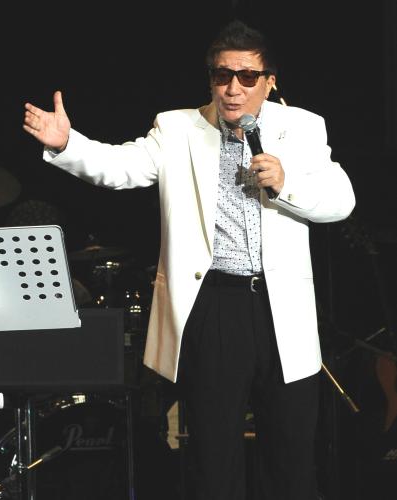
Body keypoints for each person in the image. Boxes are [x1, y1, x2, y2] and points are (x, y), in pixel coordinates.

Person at [23, 19, 355, 500]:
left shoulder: (302, 127)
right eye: (222, 75)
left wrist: (286, 184)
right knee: (212, 458)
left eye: (247, 76)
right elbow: (121, 166)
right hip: (213, 305)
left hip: (281, 308)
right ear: (211, 78)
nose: (233, 88)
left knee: (290, 457)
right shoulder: (178, 127)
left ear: (269, 81)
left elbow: (341, 201)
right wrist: (66, 144)